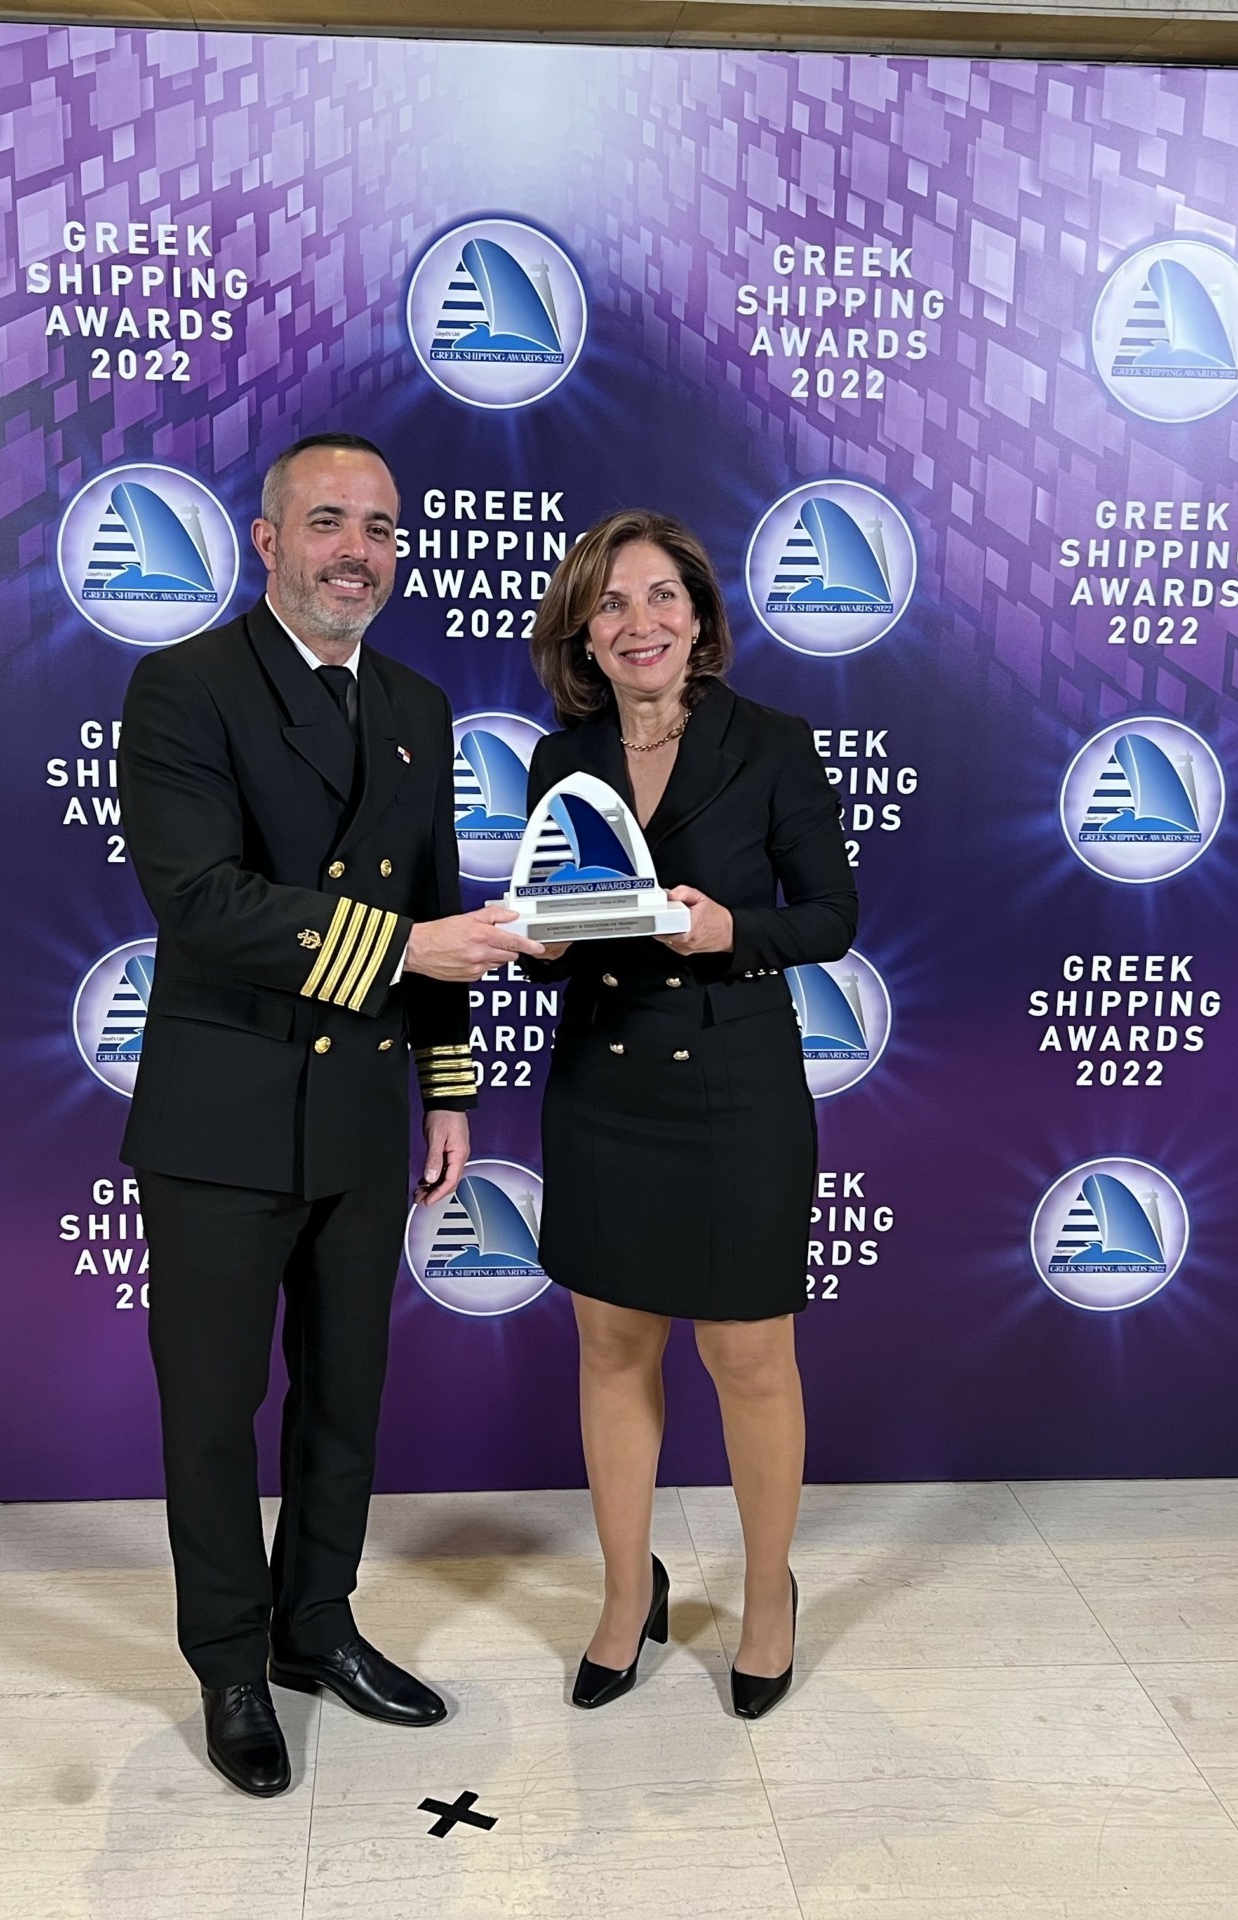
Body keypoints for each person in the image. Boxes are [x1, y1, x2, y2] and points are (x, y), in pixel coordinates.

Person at [116, 432, 543, 1797]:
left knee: (344, 1398)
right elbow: (203, 900)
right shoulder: (185, 687)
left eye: (379, 527)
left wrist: (448, 1085)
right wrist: (404, 952)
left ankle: (316, 1625)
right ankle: (229, 1664)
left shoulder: (415, 702)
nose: (357, 550)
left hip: (359, 1106)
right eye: (327, 522)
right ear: (267, 541)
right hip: (224, 1113)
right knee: (212, 1412)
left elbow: (437, 904)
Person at [520, 509, 857, 1719]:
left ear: (700, 617)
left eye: (660, 595)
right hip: (603, 1084)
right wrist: (543, 944)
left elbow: (830, 916)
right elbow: (561, 919)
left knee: (746, 1356)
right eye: (609, 604)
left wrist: (729, 931)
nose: (638, 622)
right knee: (612, 1347)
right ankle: (628, 1593)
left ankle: (767, 1598)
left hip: (734, 1084)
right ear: (584, 636)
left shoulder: (770, 743)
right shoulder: (561, 761)